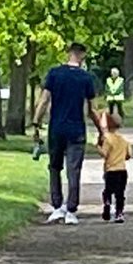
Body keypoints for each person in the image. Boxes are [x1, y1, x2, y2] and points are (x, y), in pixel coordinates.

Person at [34, 42, 102, 226]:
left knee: (54, 167)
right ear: (82, 56)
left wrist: (36, 122)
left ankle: (57, 207)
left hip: (56, 128)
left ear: (68, 54)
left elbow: (44, 100)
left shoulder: (54, 74)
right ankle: (71, 209)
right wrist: (101, 130)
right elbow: (92, 110)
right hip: (76, 129)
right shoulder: (86, 78)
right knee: (74, 170)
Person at [97, 111, 131, 224]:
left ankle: (107, 204)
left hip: (111, 170)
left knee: (108, 191)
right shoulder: (124, 140)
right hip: (122, 170)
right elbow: (128, 155)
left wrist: (98, 147)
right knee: (120, 194)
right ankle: (119, 213)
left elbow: (104, 154)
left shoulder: (108, 139)